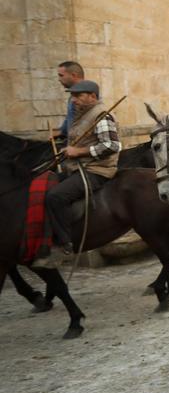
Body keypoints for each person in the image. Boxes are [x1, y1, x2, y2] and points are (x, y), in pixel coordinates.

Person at [36, 80, 121, 267]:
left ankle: (66, 245)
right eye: (72, 96)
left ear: (92, 96)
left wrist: (79, 152)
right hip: (76, 167)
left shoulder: (101, 115)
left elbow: (112, 145)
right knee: (42, 185)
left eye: (78, 95)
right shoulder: (81, 115)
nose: (73, 100)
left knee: (55, 197)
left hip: (97, 170)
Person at [56, 61, 85, 140]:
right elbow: (70, 117)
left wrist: (78, 150)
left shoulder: (87, 97)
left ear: (73, 75)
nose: (59, 79)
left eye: (61, 75)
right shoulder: (72, 96)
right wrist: (61, 132)